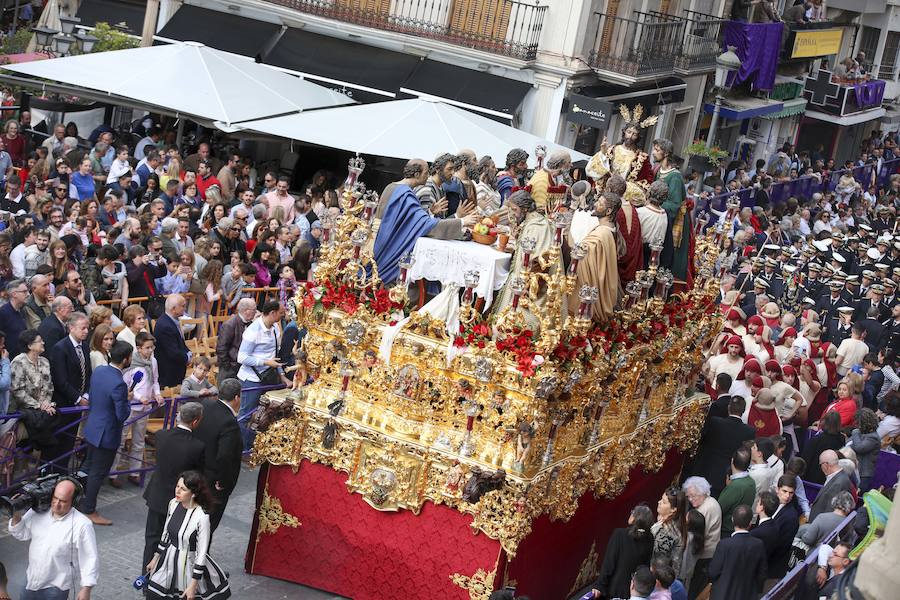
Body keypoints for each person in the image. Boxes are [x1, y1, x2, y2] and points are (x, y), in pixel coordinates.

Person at [372, 159, 478, 284]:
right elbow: (426, 225)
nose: (428, 176)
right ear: (417, 174)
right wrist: (462, 221)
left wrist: (430, 212)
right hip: (392, 250)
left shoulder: (391, 187)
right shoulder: (407, 194)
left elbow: (407, 221)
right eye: (426, 172)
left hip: (380, 243)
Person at [144, 470, 231, 599]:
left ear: (193, 493)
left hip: (189, 565)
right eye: (177, 486)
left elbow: (201, 553)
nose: (177, 491)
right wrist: (155, 559)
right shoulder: (173, 504)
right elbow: (166, 534)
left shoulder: (202, 517)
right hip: (169, 559)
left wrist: (193, 585)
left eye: (183, 489)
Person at [8, 477, 99, 600]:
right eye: (55, 498)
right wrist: (16, 514)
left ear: (74, 501)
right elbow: (21, 533)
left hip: (56, 588)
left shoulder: (83, 525)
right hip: (31, 580)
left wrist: (86, 589)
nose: (56, 504)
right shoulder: (39, 511)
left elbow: (89, 558)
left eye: (63, 501)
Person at [142, 402, 206, 570]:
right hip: (180, 500)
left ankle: (145, 576)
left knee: (152, 538)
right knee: (175, 541)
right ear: (195, 421)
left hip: (157, 495)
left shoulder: (161, 435)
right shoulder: (197, 446)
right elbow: (198, 475)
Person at [80, 340, 133, 526]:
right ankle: (89, 509)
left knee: (86, 467)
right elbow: (122, 414)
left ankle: (79, 499)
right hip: (106, 434)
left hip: (92, 427)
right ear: (126, 359)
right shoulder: (119, 384)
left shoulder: (100, 371)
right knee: (97, 473)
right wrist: (127, 400)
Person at [492, 189, 560, 330]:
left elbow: (541, 259)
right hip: (522, 280)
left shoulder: (539, 226)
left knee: (521, 324)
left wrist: (528, 288)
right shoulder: (531, 222)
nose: (512, 214)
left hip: (531, 287)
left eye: (515, 210)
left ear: (525, 209)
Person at [111, 331, 162, 488]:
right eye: (147, 348)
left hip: (145, 407)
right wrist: (139, 397)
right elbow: (126, 385)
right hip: (131, 406)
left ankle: (135, 472)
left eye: (152, 347)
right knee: (121, 439)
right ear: (139, 348)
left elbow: (155, 380)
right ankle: (112, 473)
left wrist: (157, 394)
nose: (150, 350)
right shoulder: (131, 364)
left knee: (139, 440)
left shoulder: (153, 361)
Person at [192, 378, 243, 535]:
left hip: (194, 470)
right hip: (212, 482)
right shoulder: (229, 422)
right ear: (237, 398)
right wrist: (223, 481)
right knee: (206, 527)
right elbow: (225, 455)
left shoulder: (206, 405)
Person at [236, 300, 287, 450]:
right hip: (252, 379)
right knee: (247, 415)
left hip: (268, 377)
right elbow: (241, 357)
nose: (283, 316)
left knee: (263, 414)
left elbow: (274, 356)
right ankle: (242, 448)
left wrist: (282, 375)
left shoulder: (275, 328)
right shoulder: (253, 331)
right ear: (272, 313)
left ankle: (255, 446)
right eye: (281, 313)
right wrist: (265, 362)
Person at [46, 312, 92, 474]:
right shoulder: (60, 348)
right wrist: (78, 398)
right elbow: (60, 380)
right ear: (71, 328)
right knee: (57, 442)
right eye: (83, 328)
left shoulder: (85, 347)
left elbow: (88, 373)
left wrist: (86, 395)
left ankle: (62, 474)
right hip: (63, 405)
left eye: (87, 328)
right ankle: (49, 476)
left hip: (77, 405)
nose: (86, 331)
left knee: (69, 443)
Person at [683, 396, 755, 497]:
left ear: (729, 408)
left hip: (706, 470)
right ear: (743, 411)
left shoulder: (715, 422)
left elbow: (702, 439)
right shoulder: (749, 431)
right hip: (726, 477)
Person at [569, 191, 622, 322]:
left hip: (592, 297)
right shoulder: (608, 229)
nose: (595, 204)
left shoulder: (600, 235)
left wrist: (566, 232)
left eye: (600, 203)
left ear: (608, 211)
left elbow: (580, 255)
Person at [586, 106, 655, 203]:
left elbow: (647, 182)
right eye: (629, 132)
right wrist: (602, 153)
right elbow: (593, 170)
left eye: (634, 134)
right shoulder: (611, 150)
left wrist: (624, 187)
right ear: (624, 132)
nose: (630, 136)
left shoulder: (641, 158)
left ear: (638, 137)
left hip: (624, 197)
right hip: (605, 193)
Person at [10, 329, 56, 463]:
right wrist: (38, 405)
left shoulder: (45, 361)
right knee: (21, 451)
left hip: (41, 413)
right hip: (22, 414)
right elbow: (17, 391)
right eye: (40, 341)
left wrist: (46, 403)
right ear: (30, 345)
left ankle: (35, 472)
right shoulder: (18, 362)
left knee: (39, 449)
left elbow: (49, 387)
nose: (43, 343)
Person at [591, 504, 654, 599]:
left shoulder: (620, 534)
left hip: (616, 589)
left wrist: (599, 585)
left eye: (633, 512)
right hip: (635, 590)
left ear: (635, 518)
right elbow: (645, 565)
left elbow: (609, 563)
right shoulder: (650, 538)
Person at [708, 505, 766, 600]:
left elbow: (713, 572)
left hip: (723, 594)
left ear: (732, 520)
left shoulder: (724, 544)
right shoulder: (759, 544)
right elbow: (761, 573)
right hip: (747, 594)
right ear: (750, 523)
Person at [682, 477, 721, 599]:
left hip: (705, 555)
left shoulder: (706, 509)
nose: (690, 499)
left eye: (694, 496)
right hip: (705, 552)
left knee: (695, 586)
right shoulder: (710, 502)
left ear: (703, 492)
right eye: (688, 496)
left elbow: (699, 533)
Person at [717, 447, 756, 537]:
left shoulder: (735, 486)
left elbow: (719, 508)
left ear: (732, 461)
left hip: (727, 530)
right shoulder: (751, 482)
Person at [154, 294, 190, 388]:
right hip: (168, 374)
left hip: (175, 371)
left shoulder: (172, 321)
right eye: (182, 306)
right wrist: (187, 357)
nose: (185, 308)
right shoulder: (165, 325)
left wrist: (188, 352)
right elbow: (173, 352)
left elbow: (181, 342)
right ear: (174, 309)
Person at [215, 298, 256, 382]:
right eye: (254, 310)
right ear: (246, 311)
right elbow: (221, 348)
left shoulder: (251, 324)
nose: (256, 312)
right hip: (230, 368)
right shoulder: (229, 325)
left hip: (244, 366)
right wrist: (228, 366)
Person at [808, 449, 853, 522]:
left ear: (826, 465)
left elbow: (830, 511)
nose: (821, 467)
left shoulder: (839, 483)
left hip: (820, 524)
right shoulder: (836, 477)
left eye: (820, 464)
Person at [652, 487, 686, 574]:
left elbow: (657, 559)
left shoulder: (667, 532)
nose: (659, 502)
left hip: (659, 575)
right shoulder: (668, 522)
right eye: (661, 499)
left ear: (673, 509)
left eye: (664, 502)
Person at [0, 279, 28, 357]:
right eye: (24, 292)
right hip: (8, 358)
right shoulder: (3, 313)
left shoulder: (22, 310)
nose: (28, 294)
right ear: (14, 294)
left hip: (21, 356)